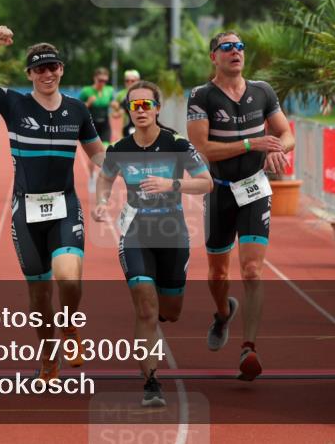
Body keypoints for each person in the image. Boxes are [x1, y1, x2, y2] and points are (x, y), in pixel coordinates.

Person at [0, 30, 106, 380]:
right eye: (39, 70)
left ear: (62, 69)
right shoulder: (14, 103)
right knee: (39, 298)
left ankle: (70, 329)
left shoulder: (77, 110)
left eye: (52, 67)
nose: (47, 74)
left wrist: (131, 165)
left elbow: (98, 154)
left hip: (65, 206)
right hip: (26, 212)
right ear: (30, 75)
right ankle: (48, 354)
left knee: (68, 276)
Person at [93, 81, 212, 407]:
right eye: (135, 106)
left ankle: (161, 315)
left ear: (157, 108)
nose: (141, 110)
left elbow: (207, 183)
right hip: (135, 233)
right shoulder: (119, 149)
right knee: (146, 307)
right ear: (128, 111)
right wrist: (102, 202)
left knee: (169, 312)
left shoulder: (177, 145)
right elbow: (104, 178)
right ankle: (151, 382)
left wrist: (171, 183)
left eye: (147, 105)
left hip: (172, 234)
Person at [186, 31, 294, 381]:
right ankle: (222, 313)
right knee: (218, 274)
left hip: (255, 189)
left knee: (251, 271)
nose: (236, 52)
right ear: (213, 56)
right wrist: (251, 144)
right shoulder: (201, 96)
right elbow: (203, 149)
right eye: (227, 48)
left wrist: (278, 148)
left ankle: (249, 347)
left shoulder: (263, 91)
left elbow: (286, 133)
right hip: (219, 190)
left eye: (240, 47)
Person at [79, 67, 115, 192]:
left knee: (104, 152)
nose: (102, 83)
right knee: (93, 156)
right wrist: (88, 103)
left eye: (105, 81)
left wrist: (115, 106)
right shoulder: (86, 91)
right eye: (100, 80)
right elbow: (78, 108)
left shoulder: (110, 90)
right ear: (95, 78)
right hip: (91, 125)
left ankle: (102, 178)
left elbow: (113, 103)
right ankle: (91, 176)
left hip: (105, 125)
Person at [111, 68, 141, 139]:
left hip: (140, 124)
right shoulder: (120, 94)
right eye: (127, 81)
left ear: (138, 81)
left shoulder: (143, 93)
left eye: (132, 81)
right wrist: (116, 108)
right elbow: (116, 112)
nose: (129, 83)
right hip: (127, 125)